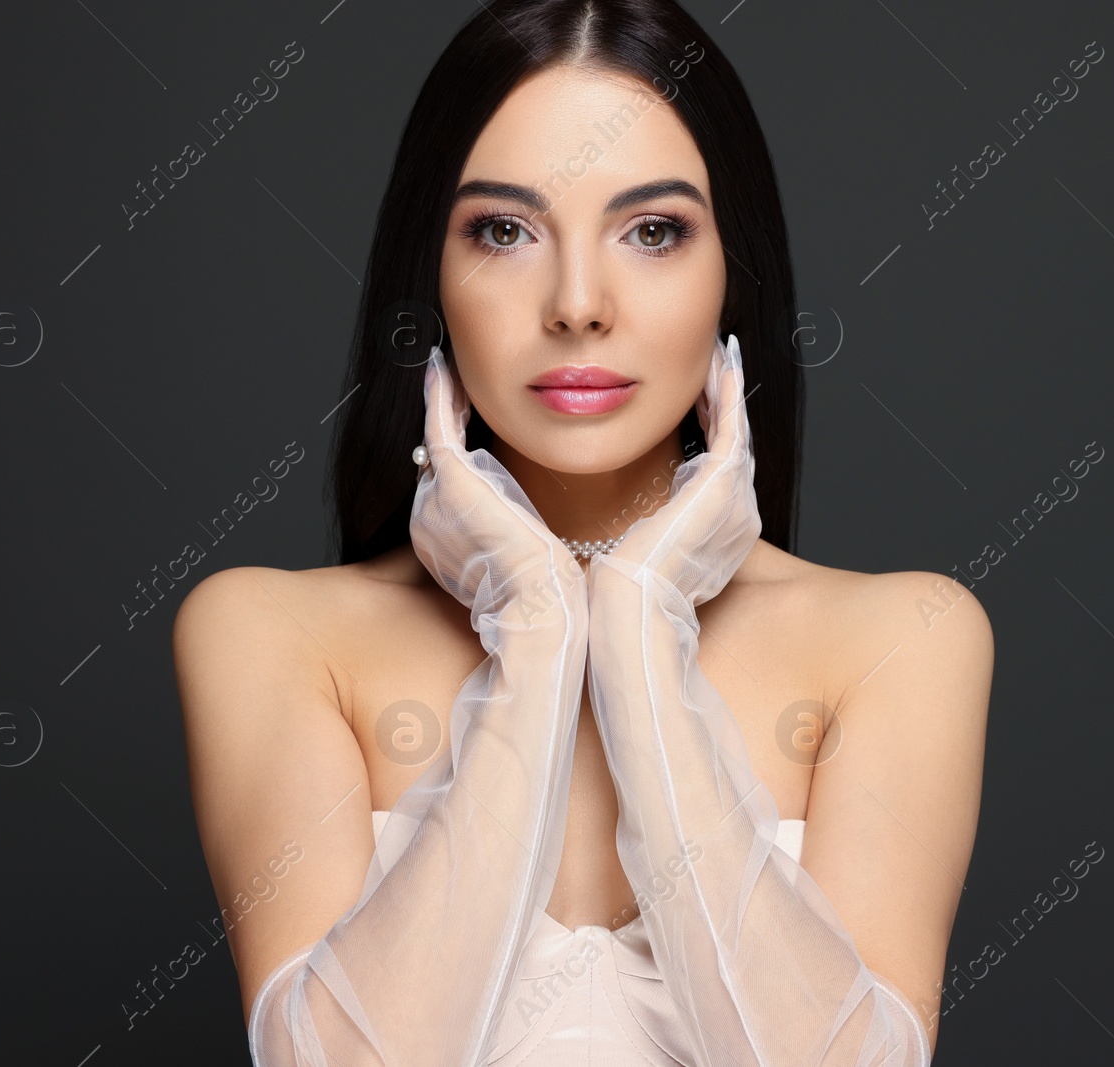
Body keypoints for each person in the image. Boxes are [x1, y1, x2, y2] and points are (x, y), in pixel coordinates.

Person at [171, 1, 993, 1063]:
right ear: (431, 275)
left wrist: (642, 621)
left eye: (652, 230)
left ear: (730, 273)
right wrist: (537, 629)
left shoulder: (904, 639)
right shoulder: (269, 635)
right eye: (503, 230)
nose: (576, 303)